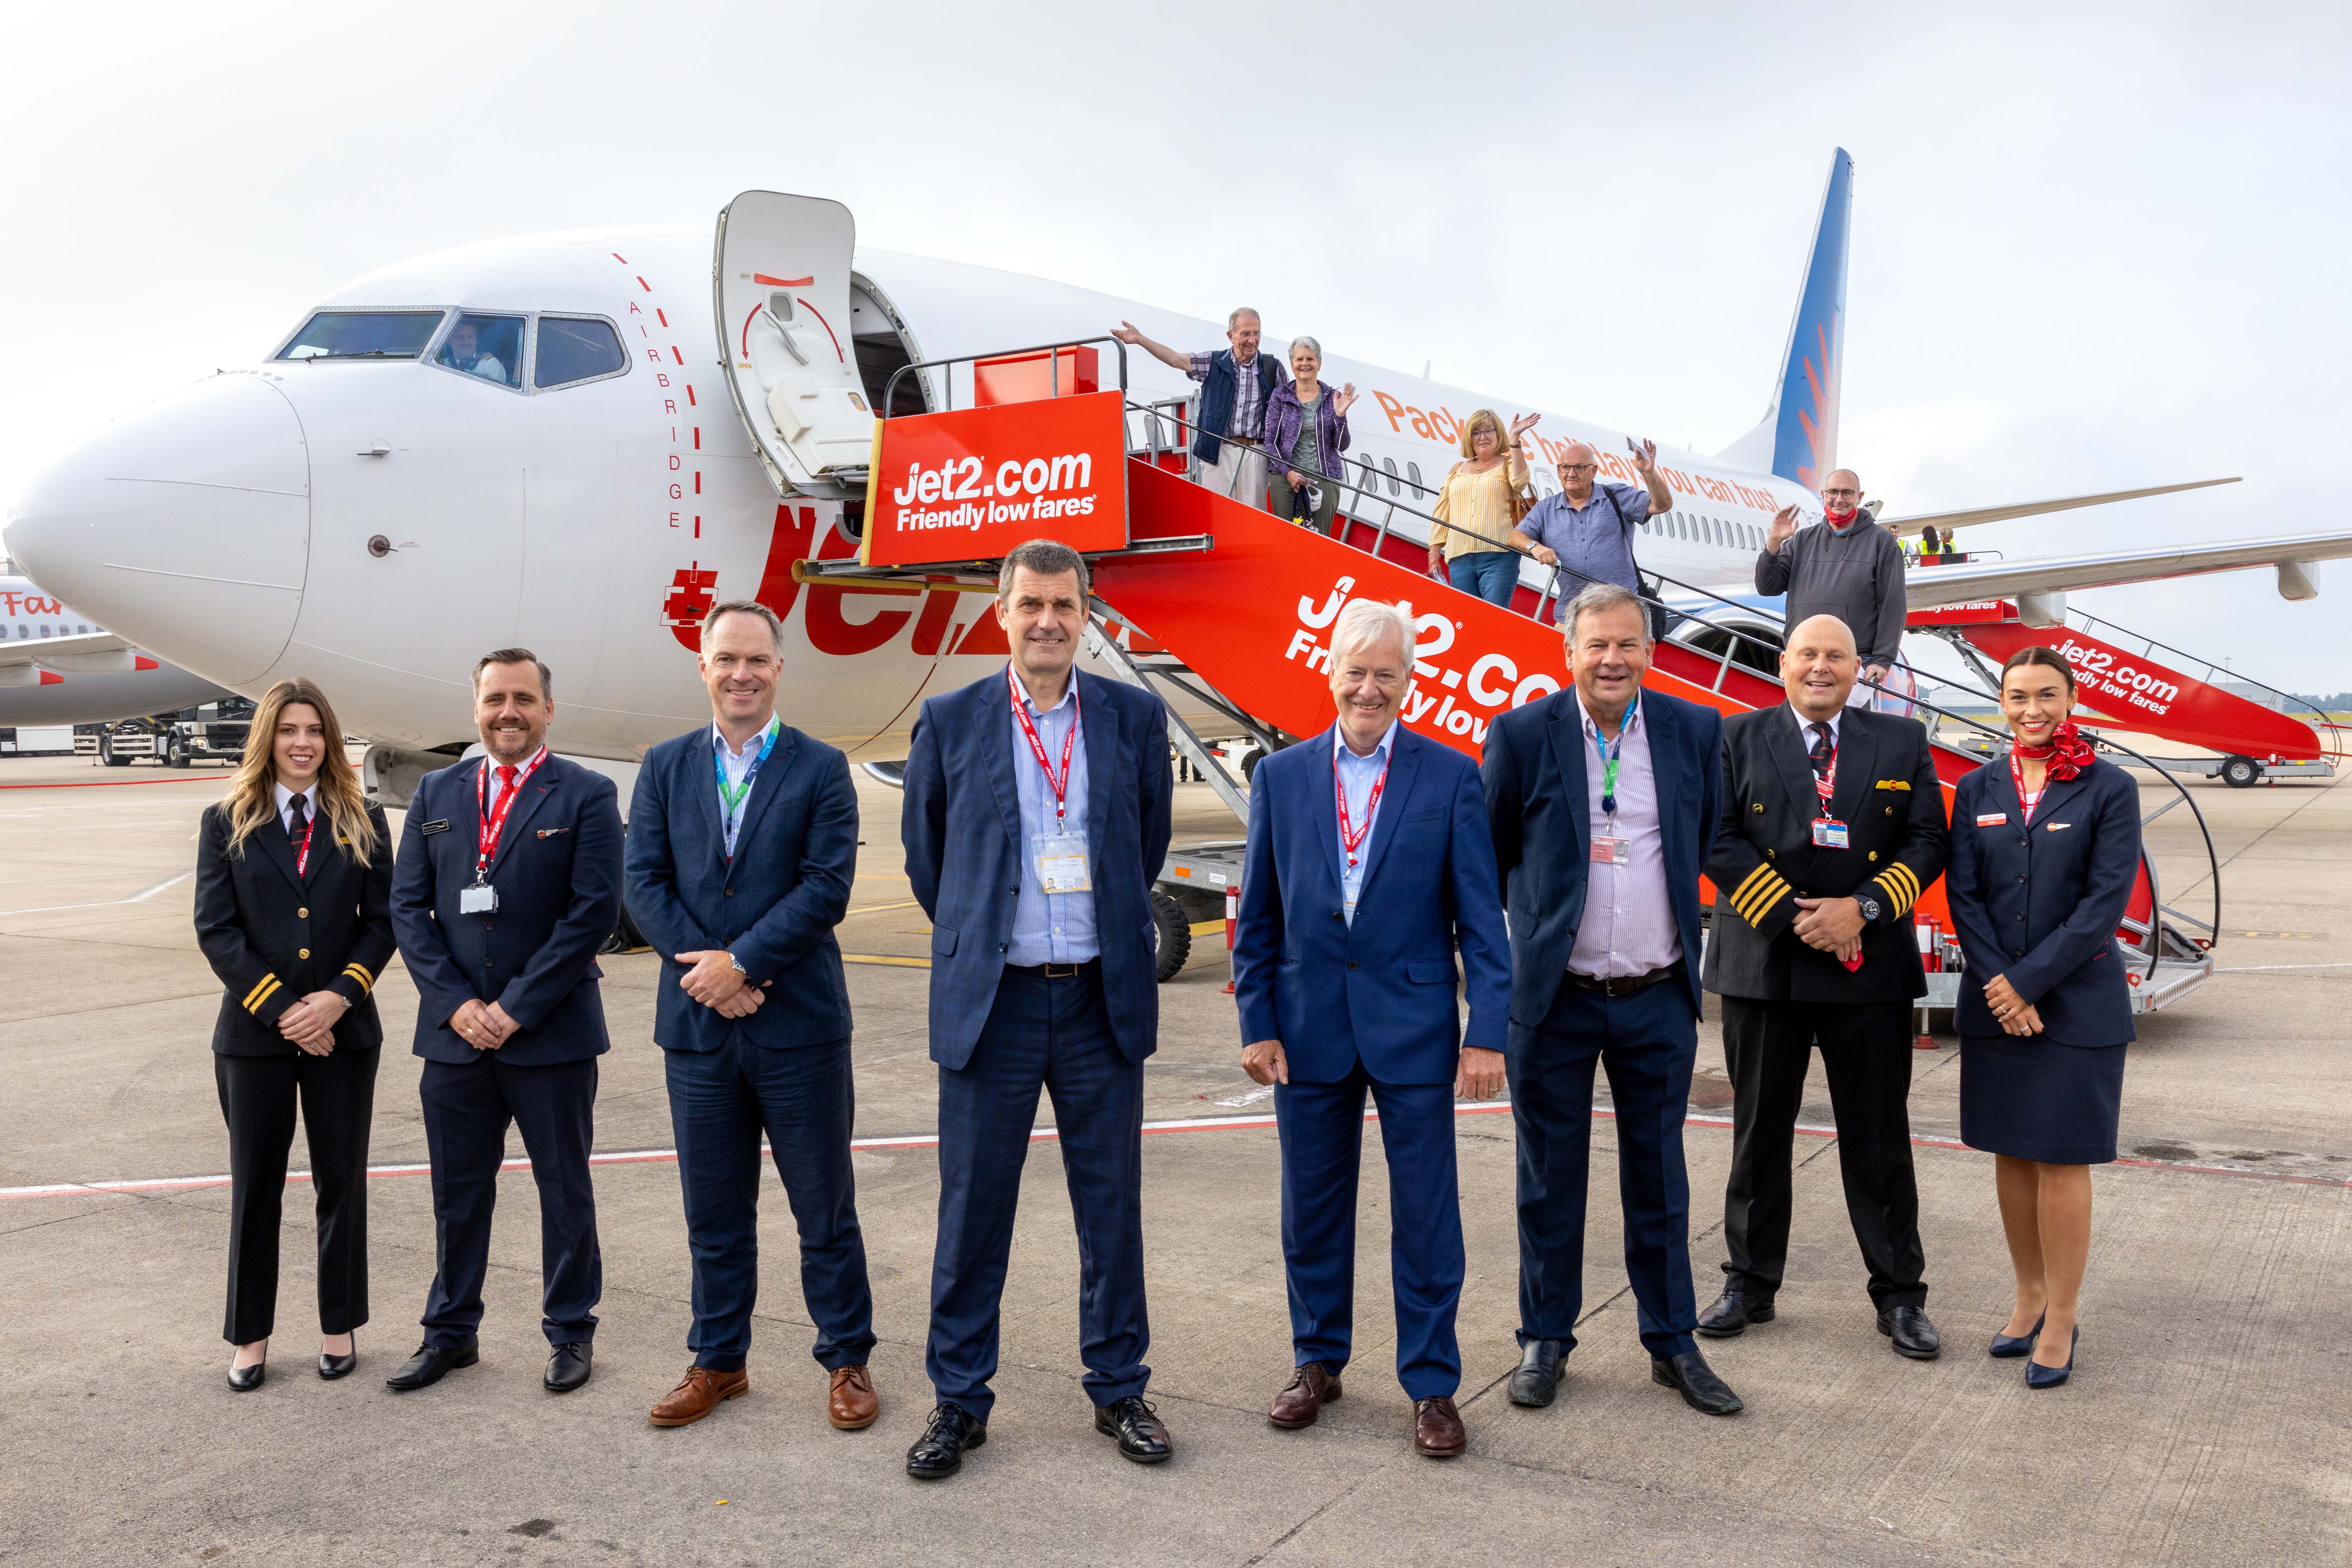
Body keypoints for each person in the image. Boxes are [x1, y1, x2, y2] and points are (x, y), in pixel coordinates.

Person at [899, 539, 1175, 1479]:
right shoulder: (951, 721)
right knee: (973, 1209)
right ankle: (958, 1400)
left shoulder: (1135, 717)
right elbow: (932, 863)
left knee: (1111, 1208)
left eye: (1064, 603)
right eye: (1030, 604)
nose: (1047, 619)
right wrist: (985, 935)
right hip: (997, 1001)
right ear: (1001, 613)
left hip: (1099, 997)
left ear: (1084, 612)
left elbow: (1142, 847)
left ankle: (1118, 1386)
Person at [1231, 599, 1510, 1459]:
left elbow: (1481, 921)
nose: (1369, 686)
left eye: (1387, 673)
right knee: (1311, 1210)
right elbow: (1259, 919)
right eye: (1356, 669)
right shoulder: (1280, 778)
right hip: (1309, 1027)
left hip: (1416, 1028)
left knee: (1427, 1216)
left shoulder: (1450, 775)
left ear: (1409, 682)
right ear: (1332, 672)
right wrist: (1257, 1021)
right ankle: (1318, 1361)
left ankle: (1431, 1383)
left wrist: (1486, 1031)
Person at [1481, 583, 1741, 1417]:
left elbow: (1716, 841)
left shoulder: (1694, 731)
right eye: (1597, 645)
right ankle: (1546, 1338)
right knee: (1547, 1180)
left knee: (1659, 1180)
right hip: (1554, 999)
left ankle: (1671, 1341)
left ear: (1650, 652)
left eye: (1627, 644)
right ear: (1569, 653)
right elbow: (1488, 864)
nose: (1613, 659)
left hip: (1657, 994)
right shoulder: (1522, 736)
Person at [624, 599, 878, 1431]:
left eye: (756, 660)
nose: (741, 673)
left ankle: (846, 1359)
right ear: (703, 667)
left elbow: (826, 887)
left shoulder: (821, 768)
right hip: (699, 1032)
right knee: (714, 1210)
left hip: (797, 1026)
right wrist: (713, 975)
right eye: (726, 659)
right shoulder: (663, 767)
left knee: (824, 1209)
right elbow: (644, 884)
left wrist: (745, 964)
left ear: (778, 669)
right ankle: (719, 1362)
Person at [1697, 614, 1949, 1360]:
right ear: (1783, 665)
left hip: (1866, 968)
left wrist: (1860, 911)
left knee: (1879, 1141)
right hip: (1767, 966)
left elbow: (1928, 839)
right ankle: (1749, 1282)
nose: (1820, 666)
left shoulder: (1901, 742)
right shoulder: (1735, 738)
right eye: (1807, 653)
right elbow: (1716, 836)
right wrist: (1791, 917)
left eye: (1835, 655)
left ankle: (1900, 1294)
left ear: (1856, 668)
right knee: (1758, 1135)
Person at [385, 649, 623, 1395]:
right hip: (455, 1037)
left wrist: (515, 1009)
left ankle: (570, 1331)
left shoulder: (585, 793)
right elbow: (407, 908)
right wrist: (456, 1004)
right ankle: (451, 1332)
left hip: (549, 1034)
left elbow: (591, 915)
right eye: (495, 699)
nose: (508, 712)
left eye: (523, 698)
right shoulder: (436, 790)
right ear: (477, 708)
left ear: (548, 709)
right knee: (458, 1192)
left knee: (564, 1187)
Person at [1946, 646, 2141, 1389]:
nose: (2033, 710)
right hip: (2000, 1003)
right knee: (2012, 1152)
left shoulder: (2109, 787)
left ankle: (2062, 1315)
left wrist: (2024, 984)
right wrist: (2002, 986)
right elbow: (1965, 895)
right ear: (2001, 701)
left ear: (2071, 698)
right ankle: (2028, 1296)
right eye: (2019, 695)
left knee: (2062, 1160)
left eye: (2048, 696)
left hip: (2076, 1002)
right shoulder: (1976, 787)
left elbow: (2104, 904)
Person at [194, 678, 396, 1391]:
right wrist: (287, 1010)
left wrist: (337, 1000)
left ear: (330, 740)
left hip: (345, 1033)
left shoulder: (364, 818)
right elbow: (216, 928)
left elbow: (384, 923)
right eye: (289, 730)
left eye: (314, 730)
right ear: (268, 740)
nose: (303, 742)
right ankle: (251, 1336)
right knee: (259, 1187)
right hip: (254, 1037)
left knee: (342, 1182)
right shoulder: (227, 819)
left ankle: (338, 1326)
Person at [1112, 310, 1282, 508]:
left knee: (1255, 517)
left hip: (1256, 452)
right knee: (1218, 515)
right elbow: (1176, 360)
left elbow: (1289, 413)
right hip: (1219, 451)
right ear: (1231, 336)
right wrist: (1141, 340)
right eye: (1246, 334)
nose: (1252, 340)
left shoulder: (1272, 367)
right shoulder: (1213, 362)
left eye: (1257, 333)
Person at [1759, 470, 1907, 690]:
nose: (1839, 499)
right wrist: (1773, 544)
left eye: (1847, 493)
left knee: (1847, 725)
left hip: (1853, 662)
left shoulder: (1882, 543)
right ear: (1823, 495)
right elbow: (1767, 588)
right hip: (1803, 659)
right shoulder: (1802, 540)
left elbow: (1893, 606)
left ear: (1860, 497)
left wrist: (1883, 659)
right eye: (1833, 492)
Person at [1509, 439, 1674, 624]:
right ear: (1559, 470)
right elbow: (1515, 537)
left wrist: (1649, 473)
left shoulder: (1615, 496)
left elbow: (1662, 505)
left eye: (1579, 468)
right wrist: (1535, 547)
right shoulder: (1545, 509)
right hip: (1572, 617)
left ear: (1593, 471)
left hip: (1621, 613)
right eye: (1566, 467)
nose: (1571, 474)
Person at [1428, 409, 1538, 607]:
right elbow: (1442, 514)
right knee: (1464, 620)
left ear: (1498, 434)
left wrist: (1515, 439)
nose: (1483, 437)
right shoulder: (1457, 469)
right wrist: (1434, 555)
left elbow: (1521, 482)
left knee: (1492, 619)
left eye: (1489, 431)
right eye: (1476, 433)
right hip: (1459, 559)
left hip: (1499, 557)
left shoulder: (1509, 463)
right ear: (1469, 439)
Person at [1261, 336, 1358, 536]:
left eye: (1311, 359)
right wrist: (1288, 472)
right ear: (1292, 364)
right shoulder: (1281, 396)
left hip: (1324, 478)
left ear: (1319, 364)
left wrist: (1340, 417)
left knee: (1319, 541)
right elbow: (1271, 441)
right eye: (1299, 359)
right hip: (1286, 478)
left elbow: (1342, 445)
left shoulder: (1332, 398)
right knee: (1286, 539)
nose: (1305, 364)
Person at [439, 319, 508, 386]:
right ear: (449, 341)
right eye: (460, 337)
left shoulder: (490, 364)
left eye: (470, 337)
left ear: (476, 340)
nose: (466, 342)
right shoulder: (440, 364)